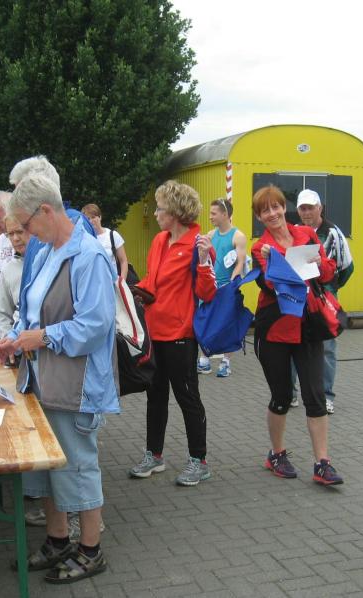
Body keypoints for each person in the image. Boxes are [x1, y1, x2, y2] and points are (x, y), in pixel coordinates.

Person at [0, 173, 118, 584]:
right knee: (48, 466)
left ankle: (91, 549)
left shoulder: (88, 256)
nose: (25, 235)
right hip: (41, 378)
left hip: (74, 383)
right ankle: (58, 539)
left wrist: (42, 337)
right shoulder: (48, 251)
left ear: (46, 211)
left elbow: (96, 326)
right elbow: (31, 312)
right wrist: (15, 337)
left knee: (77, 465)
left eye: (27, 224)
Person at [250, 184, 343, 485]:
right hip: (275, 330)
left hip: (308, 326)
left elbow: (328, 273)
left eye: (276, 206)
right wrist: (273, 262)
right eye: (265, 210)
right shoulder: (260, 248)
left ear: (283, 207)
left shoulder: (305, 235)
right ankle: (276, 454)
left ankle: (322, 463)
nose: (272, 213)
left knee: (315, 396)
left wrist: (320, 264)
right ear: (259, 217)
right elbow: (269, 285)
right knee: (281, 396)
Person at [128, 180, 217, 487]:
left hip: (181, 334)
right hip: (154, 331)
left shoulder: (198, 244)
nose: (155, 213)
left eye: (160, 209)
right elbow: (152, 281)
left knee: (187, 397)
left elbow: (207, 292)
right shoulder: (159, 241)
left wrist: (203, 261)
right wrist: (133, 291)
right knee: (155, 397)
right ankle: (154, 455)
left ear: (176, 212)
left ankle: (199, 461)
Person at [296, 189, 353, 414]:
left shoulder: (333, 233)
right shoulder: (294, 231)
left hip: (324, 298)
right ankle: (290, 393)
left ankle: (326, 395)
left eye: (311, 207)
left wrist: (330, 288)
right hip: (298, 297)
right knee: (293, 344)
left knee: (327, 347)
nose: (307, 212)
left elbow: (347, 267)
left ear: (320, 208)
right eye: (303, 208)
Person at [196, 197, 248, 378]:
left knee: (226, 324)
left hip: (227, 287)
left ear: (225, 214)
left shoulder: (238, 236)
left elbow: (240, 263)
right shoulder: (211, 235)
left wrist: (231, 285)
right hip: (210, 287)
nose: (210, 217)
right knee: (206, 322)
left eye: (213, 213)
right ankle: (204, 360)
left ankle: (226, 362)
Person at [0, 215, 30, 338]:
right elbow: (2, 313)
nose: (15, 238)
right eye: (10, 234)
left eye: (20, 231)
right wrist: (8, 339)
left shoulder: (50, 261)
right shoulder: (8, 270)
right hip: (18, 344)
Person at [81, 203, 128, 280]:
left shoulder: (112, 235)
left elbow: (123, 261)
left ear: (100, 217)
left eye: (93, 217)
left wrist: (122, 282)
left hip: (112, 283)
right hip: (93, 283)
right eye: (88, 219)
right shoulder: (84, 239)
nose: (91, 221)